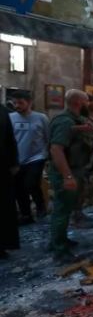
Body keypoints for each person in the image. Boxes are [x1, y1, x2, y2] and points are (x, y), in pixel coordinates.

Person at [48, 90, 93, 262]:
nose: (88, 105)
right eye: (86, 102)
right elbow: (56, 149)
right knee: (62, 210)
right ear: (78, 103)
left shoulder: (75, 120)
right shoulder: (65, 121)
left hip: (74, 169)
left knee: (65, 209)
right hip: (66, 171)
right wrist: (67, 176)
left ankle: (59, 240)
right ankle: (60, 250)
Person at [10, 90, 49, 223]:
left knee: (31, 183)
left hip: (36, 156)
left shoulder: (41, 118)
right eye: (15, 103)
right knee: (18, 187)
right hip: (17, 158)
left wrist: (47, 154)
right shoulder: (10, 118)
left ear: (29, 102)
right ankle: (26, 214)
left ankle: (40, 207)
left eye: (20, 103)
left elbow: (48, 137)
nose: (17, 106)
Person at [0, 103, 19, 259]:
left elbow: (9, 138)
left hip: (2, 167)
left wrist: (14, 162)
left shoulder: (3, 111)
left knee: (3, 207)